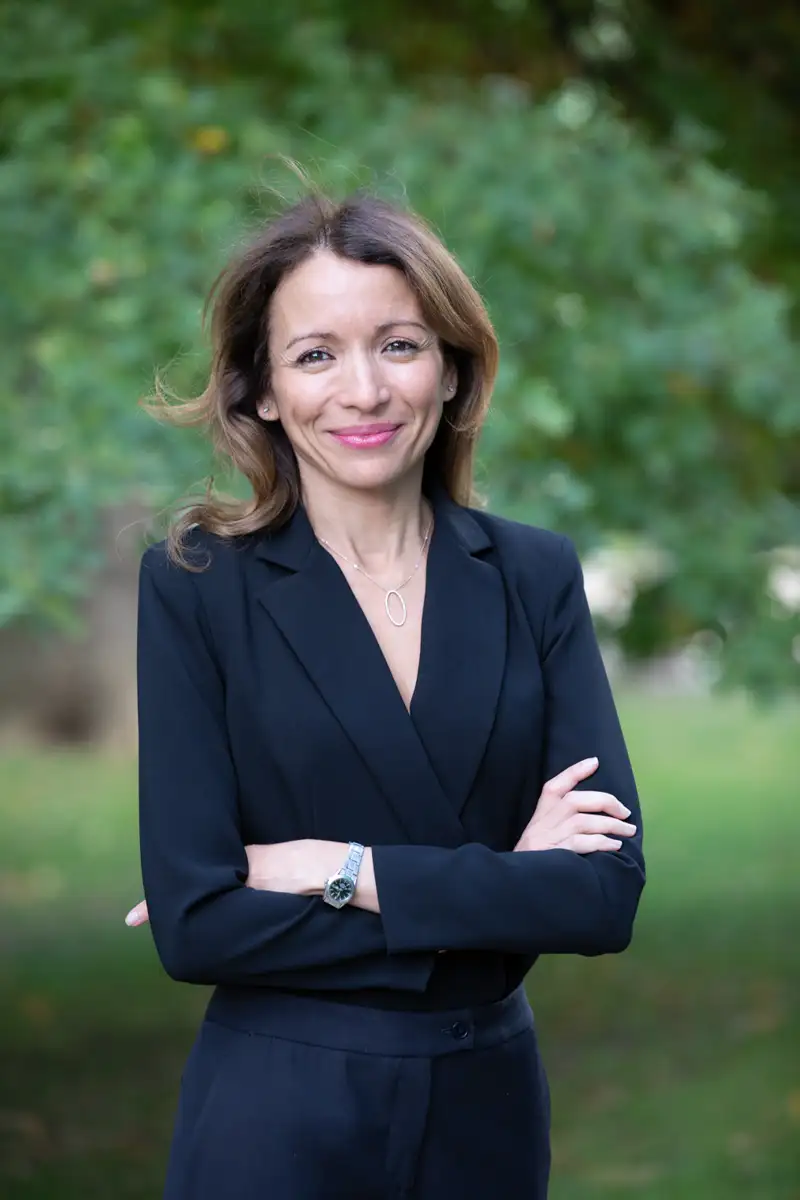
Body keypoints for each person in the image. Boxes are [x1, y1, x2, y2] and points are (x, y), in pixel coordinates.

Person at [126, 187, 645, 1200]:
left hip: (484, 1117)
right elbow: (197, 927)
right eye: (315, 354)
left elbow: (599, 895)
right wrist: (501, 883)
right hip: (277, 1116)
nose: (361, 390)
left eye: (398, 345)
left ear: (451, 369)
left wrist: (336, 867)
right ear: (262, 390)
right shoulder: (196, 583)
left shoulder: (531, 576)